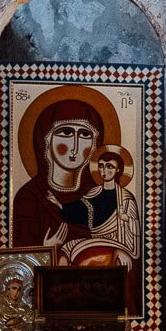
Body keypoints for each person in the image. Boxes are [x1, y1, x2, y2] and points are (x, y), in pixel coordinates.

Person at [12, 99, 105, 249]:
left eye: (85, 134)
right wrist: (46, 249)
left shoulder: (98, 195)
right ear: (46, 140)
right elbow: (17, 261)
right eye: (66, 132)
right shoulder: (29, 198)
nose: (75, 147)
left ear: (95, 145)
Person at [49, 146, 141, 270]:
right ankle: (63, 288)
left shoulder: (125, 198)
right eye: (101, 166)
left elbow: (135, 227)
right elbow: (80, 210)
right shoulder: (94, 192)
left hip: (117, 242)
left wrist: (126, 218)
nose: (104, 170)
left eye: (110, 166)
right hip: (95, 238)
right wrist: (58, 204)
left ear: (118, 170)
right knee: (66, 249)